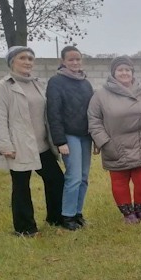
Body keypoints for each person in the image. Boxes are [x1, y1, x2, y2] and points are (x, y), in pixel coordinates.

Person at [0, 46, 64, 236]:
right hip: (19, 145)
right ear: (12, 62)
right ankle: (25, 228)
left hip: (42, 144)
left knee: (56, 179)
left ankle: (55, 218)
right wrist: (5, 145)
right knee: (21, 186)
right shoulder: (3, 86)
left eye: (31, 58)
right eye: (22, 58)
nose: (27, 62)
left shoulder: (37, 84)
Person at [88, 56, 141, 223]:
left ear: (132, 72)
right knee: (120, 182)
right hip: (116, 147)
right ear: (113, 73)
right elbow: (94, 121)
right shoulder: (101, 96)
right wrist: (104, 142)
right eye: (120, 70)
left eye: (127, 70)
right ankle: (128, 214)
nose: (124, 73)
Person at [46, 45, 95, 231]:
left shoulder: (85, 83)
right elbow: (53, 113)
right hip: (69, 136)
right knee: (73, 177)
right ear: (63, 61)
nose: (75, 62)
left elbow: (93, 112)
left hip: (85, 136)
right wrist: (60, 141)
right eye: (71, 59)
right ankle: (67, 215)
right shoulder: (56, 82)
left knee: (83, 177)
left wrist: (95, 137)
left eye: (78, 59)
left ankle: (78, 213)